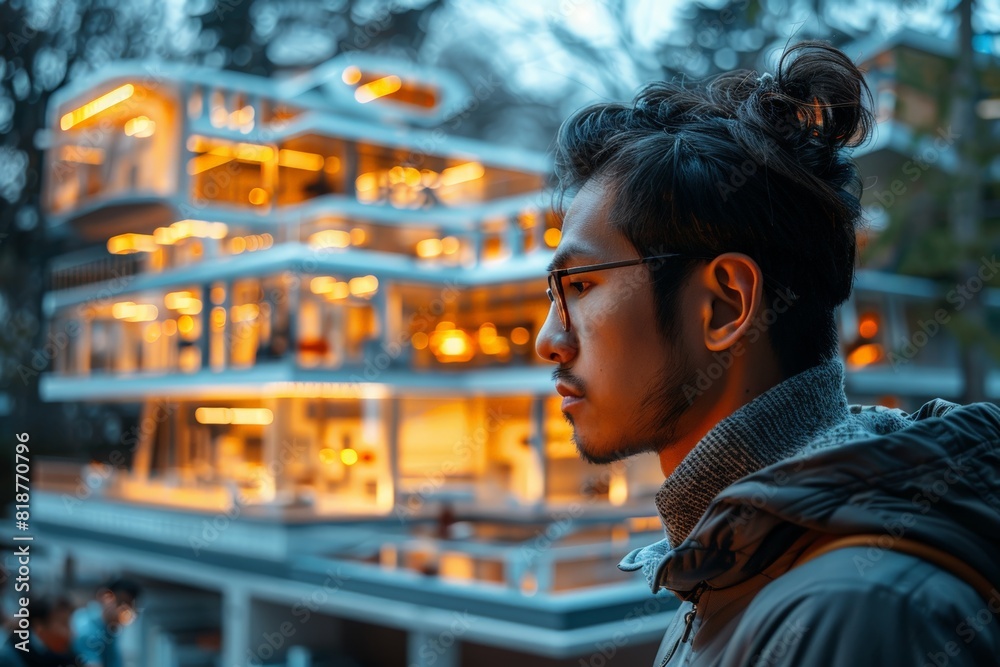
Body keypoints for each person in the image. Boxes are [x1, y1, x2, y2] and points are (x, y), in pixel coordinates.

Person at [535, 40, 1000, 666]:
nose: (548, 340)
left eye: (580, 287)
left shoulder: (854, 615)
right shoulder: (725, 566)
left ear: (725, 306)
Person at [70, 578, 140, 667]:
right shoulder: (85, 625)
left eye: (129, 607)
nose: (124, 611)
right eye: (120, 602)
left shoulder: (111, 629)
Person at [0, 597, 77, 667]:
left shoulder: (55, 655)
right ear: (39, 627)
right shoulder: (8, 656)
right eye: (63, 624)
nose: (72, 633)